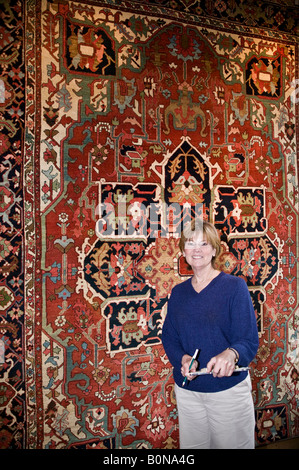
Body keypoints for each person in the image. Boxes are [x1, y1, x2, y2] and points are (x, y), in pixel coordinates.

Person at [162, 220, 259, 449]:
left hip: (228, 392)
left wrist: (231, 353)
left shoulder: (235, 287)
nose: (197, 250)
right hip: (188, 392)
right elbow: (170, 338)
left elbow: (248, 340)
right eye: (191, 243)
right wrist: (183, 359)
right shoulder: (178, 293)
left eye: (204, 243)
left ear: (214, 249)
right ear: (183, 250)